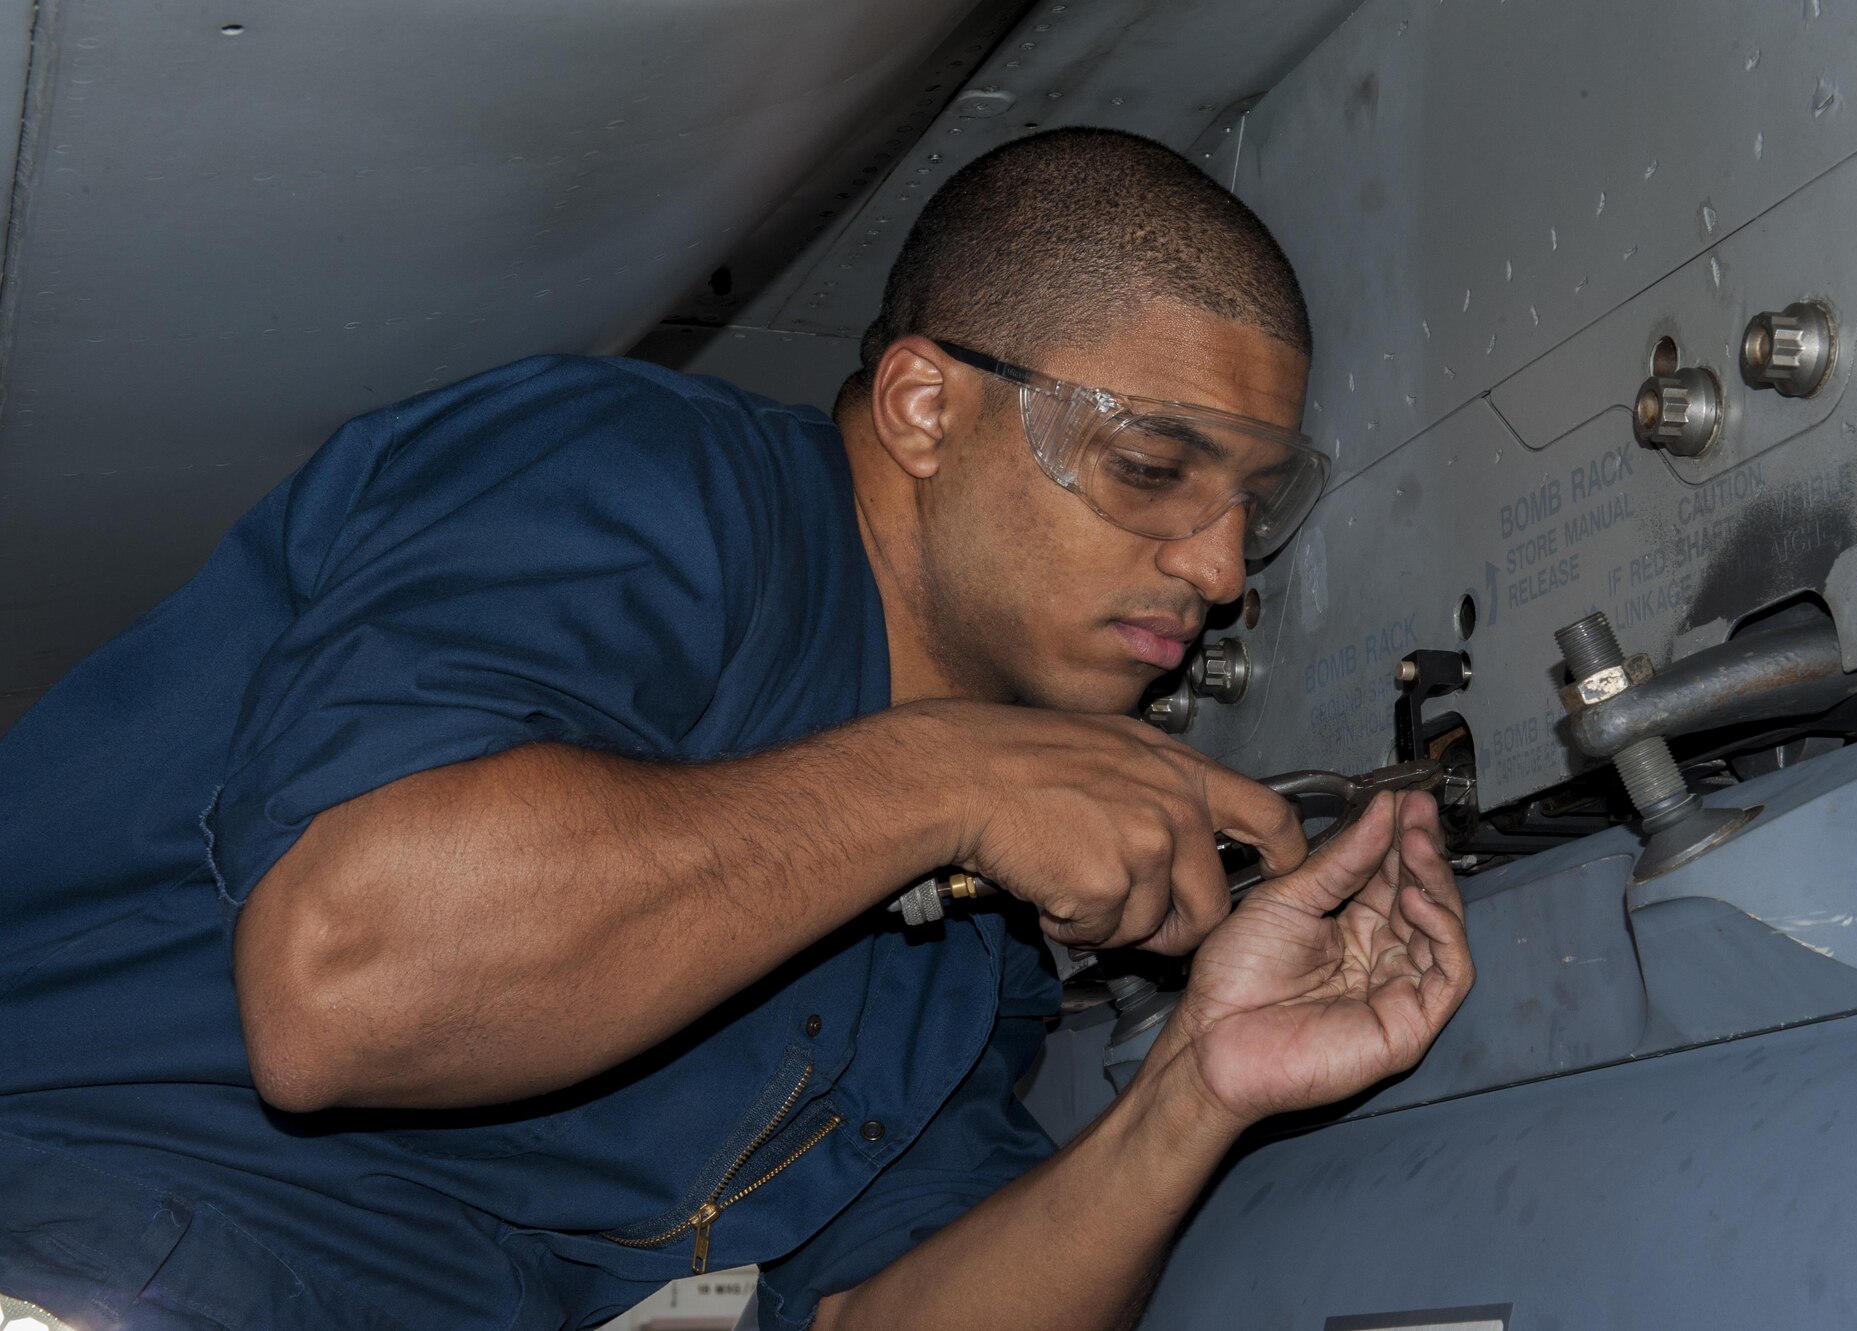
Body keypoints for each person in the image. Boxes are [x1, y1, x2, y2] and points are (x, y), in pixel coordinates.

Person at [0, 127, 1471, 1331]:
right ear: (923, 410)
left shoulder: (967, 959)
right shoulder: (642, 482)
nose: (1220, 573)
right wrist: (947, 773)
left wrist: (1197, 1089)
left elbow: (871, 1321)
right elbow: (345, 984)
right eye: (1155, 467)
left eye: (1251, 514)